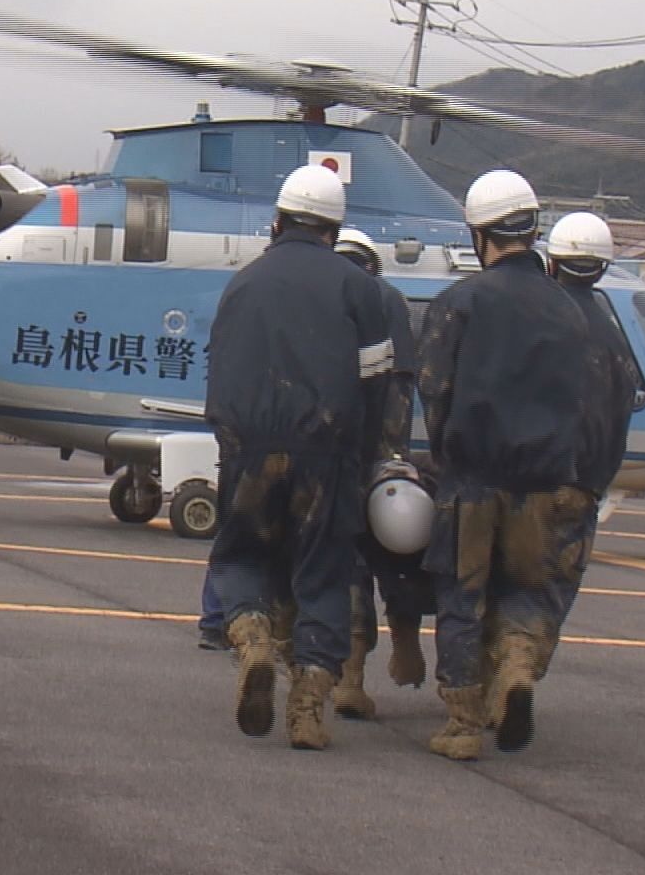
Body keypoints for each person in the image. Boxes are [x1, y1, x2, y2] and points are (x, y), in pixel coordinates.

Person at [205, 165, 398, 750]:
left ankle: (253, 640)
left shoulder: (243, 283)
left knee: (240, 557)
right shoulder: (360, 289)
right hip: (327, 455)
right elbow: (378, 385)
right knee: (323, 575)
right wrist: (362, 457)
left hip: (249, 450)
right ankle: (309, 710)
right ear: (333, 230)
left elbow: (218, 374)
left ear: (278, 221)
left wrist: (232, 443)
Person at [416, 169, 593, 760]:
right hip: (545, 484)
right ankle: (516, 669)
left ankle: (462, 724)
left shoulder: (459, 303)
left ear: (479, 235)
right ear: (533, 230)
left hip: (472, 480)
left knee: (461, 598)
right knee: (525, 591)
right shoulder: (570, 310)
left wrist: (447, 456)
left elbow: (435, 390)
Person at [330, 228, 433, 719]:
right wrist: (394, 455)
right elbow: (402, 385)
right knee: (398, 550)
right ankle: (406, 638)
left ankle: (348, 678)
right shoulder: (390, 300)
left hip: (332, 452)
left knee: (347, 562)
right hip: (383, 453)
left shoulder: (321, 293)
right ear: (372, 262)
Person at [543, 213, 642, 648]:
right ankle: (522, 667)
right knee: (549, 596)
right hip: (579, 490)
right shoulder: (615, 341)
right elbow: (619, 424)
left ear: (552, 262)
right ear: (602, 268)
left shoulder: (530, 320)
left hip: (516, 483)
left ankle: (482, 673)